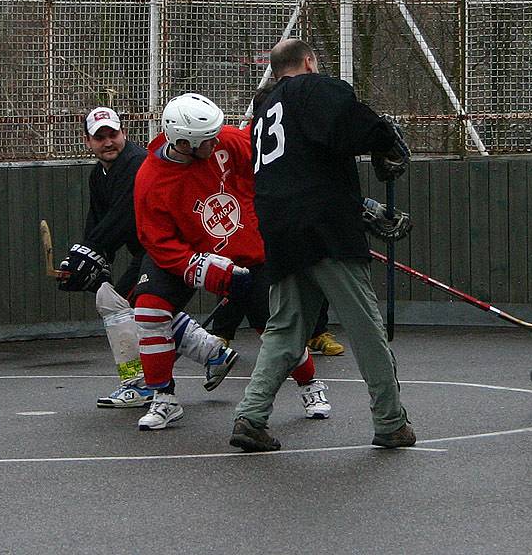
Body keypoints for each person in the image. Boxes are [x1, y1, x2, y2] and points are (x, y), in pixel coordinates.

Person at [229, 38, 415, 452]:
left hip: (279, 228)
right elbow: (355, 124)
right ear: (309, 62)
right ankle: (390, 421)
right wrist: (385, 142)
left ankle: (251, 415)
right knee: (366, 326)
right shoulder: (314, 88)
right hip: (326, 229)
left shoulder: (263, 111)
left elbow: (302, 161)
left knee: (283, 330)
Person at [133, 92, 329, 431]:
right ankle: (163, 398)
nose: (214, 144)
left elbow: (267, 157)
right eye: (205, 141)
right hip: (184, 253)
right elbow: (158, 242)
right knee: (149, 311)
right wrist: (206, 271)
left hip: (247, 250)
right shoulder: (150, 179)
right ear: (182, 142)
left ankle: (311, 385)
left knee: (276, 328)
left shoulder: (222, 141)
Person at [59, 107, 233, 409]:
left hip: (169, 250)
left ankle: (140, 384)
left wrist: (91, 253)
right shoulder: (99, 174)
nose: (108, 142)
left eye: (112, 134)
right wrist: (87, 256)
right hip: (151, 252)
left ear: (123, 133)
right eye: (99, 137)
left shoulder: (137, 164)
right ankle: (212, 353)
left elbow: (124, 217)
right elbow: (98, 220)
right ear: (87, 142)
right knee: (144, 310)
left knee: (121, 305)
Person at [211, 80, 345, 358]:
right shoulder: (240, 142)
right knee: (242, 277)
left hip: (286, 220)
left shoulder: (294, 143)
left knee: (308, 266)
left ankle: (317, 332)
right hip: (249, 224)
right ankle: (221, 333)